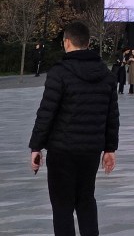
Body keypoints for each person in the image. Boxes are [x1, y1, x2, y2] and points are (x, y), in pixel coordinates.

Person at [29, 20, 119, 236]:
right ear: (88, 43)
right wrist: (110, 149)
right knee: (86, 201)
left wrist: (36, 147)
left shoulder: (59, 73)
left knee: (62, 206)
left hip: (62, 150)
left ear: (67, 42)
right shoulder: (106, 75)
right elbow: (112, 116)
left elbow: (46, 112)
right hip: (90, 151)